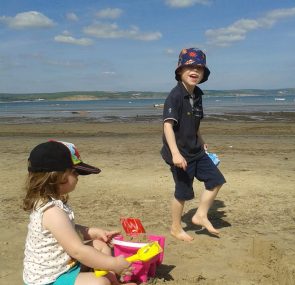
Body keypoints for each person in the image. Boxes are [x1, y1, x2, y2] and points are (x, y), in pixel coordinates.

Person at [23, 140, 136, 285]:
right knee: (100, 282)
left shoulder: (51, 203)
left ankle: (114, 282)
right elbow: (78, 251)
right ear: (59, 177)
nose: (78, 177)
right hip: (49, 279)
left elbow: (67, 231)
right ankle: (110, 281)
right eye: (75, 172)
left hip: (64, 264)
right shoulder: (52, 212)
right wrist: (114, 264)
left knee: (99, 245)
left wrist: (93, 232)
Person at [161, 48, 226, 242]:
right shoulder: (175, 96)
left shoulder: (197, 94)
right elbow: (167, 126)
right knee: (183, 193)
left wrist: (202, 141)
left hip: (196, 150)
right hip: (180, 153)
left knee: (216, 180)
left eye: (199, 67)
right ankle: (175, 227)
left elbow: (195, 123)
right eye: (190, 66)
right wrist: (175, 154)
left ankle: (200, 215)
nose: (195, 70)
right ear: (180, 70)